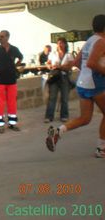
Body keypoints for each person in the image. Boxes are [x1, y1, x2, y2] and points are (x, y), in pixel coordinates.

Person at [46, 14, 105, 158]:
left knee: (85, 119)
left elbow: (77, 62)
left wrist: (86, 74)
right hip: (95, 83)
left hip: (83, 83)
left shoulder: (90, 40)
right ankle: (101, 148)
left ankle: (58, 132)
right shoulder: (102, 41)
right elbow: (91, 63)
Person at [44, 38, 74, 123]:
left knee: (64, 97)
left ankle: (64, 115)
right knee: (52, 97)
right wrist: (50, 66)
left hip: (64, 77)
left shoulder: (69, 55)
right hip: (55, 77)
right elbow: (48, 63)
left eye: (61, 43)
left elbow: (69, 67)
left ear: (65, 44)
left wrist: (59, 67)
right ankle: (49, 116)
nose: (60, 45)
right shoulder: (53, 54)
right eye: (58, 43)